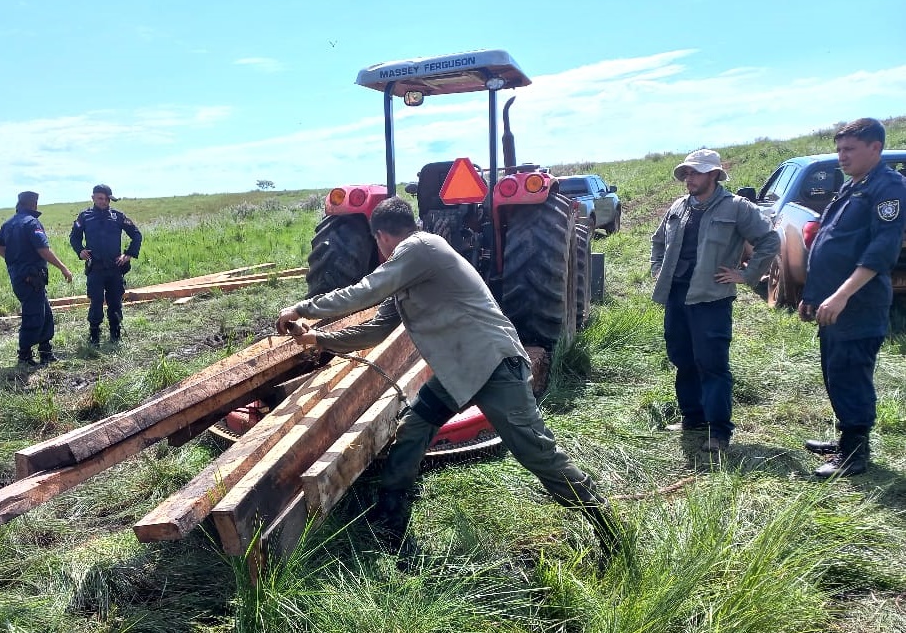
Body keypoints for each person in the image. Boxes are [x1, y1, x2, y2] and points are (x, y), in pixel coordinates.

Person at [277, 197, 622, 562]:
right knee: (414, 428)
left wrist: (304, 309)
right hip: (459, 370)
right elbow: (377, 330)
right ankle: (390, 516)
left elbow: (364, 290)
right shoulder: (410, 266)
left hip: (493, 365)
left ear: (381, 236)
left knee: (535, 451)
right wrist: (317, 340)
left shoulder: (420, 248)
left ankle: (605, 523)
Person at [650, 149, 779, 453]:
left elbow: (769, 240)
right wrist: (658, 270)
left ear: (713, 175)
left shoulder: (737, 208)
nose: (689, 179)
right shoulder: (679, 206)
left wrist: (745, 275)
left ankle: (719, 431)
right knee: (682, 358)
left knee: (712, 364)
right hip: (677, 294)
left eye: (695, 173)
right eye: (686, 174)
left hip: (711, 298)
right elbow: (657, 241)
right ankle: (693, 418)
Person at [799, 119, 906, 477]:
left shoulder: (888, 188)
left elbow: (881, 251)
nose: (841, 157)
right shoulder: (852, 187)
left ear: (875, 148)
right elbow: (831, 242)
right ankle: (846, 438)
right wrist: (812, 295)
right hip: (832, 304)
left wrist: (842, 296)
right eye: (839, 149)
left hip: (858, 305)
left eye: (849, 149)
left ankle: (855, 454)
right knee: (835, 371)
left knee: (850, 375)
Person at [0, 191, 73, 367]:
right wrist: (63, 268)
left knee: (45, 314)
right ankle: (25, 356)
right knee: (34, 316)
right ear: (34, 204)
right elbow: (43, 249)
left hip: (22, 276)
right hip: (31, 278)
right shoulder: (31, 222)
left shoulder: (9, 223)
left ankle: (45, 352)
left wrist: (12, 259)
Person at [68, 184, 142, 346]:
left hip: (115, 268)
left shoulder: (118, 216)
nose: (104, 202)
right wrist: (80, 250)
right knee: (96, 301)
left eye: (107, 199)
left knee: (115, 301)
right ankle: (94, 334)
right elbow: (74, 237)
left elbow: (136, 235)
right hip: (95, 268)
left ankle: (115, 333)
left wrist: (128, 254)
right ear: (93, 197)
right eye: (100, 198)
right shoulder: (84, 216)